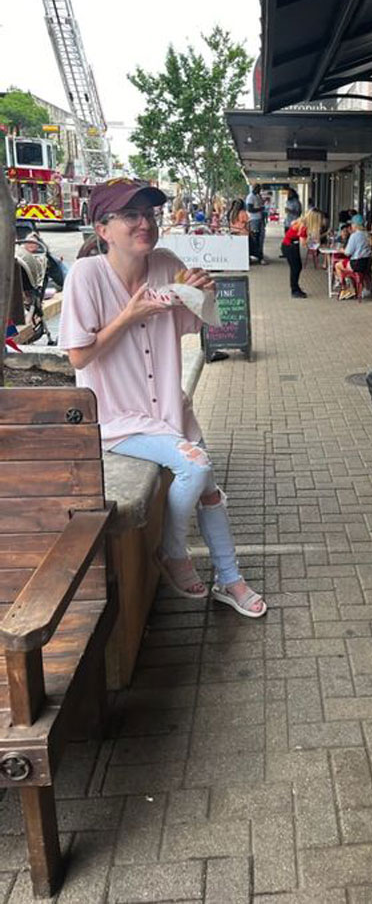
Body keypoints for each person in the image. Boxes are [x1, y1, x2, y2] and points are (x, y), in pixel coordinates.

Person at [58, 178, 266, 618]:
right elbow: (79, 354)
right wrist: (129, 315)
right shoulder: (86, 276)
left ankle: (230, 580)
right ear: (103, 229)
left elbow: (196, 324)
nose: (144, 223)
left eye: (149, 214)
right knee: (195, 465)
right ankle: (172, 552)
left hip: (171, 410)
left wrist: (203, 292)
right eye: (130, 215)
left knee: (210, 493)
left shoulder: (166, 263)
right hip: (118, 421)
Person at [334, 214, 372, 294]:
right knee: (345, 263)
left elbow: (348, 253)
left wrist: (341, 250)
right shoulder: (367, 235)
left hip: (356, 264)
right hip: (366, 263)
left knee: (337, 265)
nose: (351, 226)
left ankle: (344, 288)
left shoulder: (354, 236)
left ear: (355, 225)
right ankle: (353, 287)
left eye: (352, 224)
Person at [281, 214, 308, 298]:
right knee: (295, 268)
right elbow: (303, 243)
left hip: (289, 245)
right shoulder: (303, 227)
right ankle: (294, 290)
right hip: (290, 246)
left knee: (297, 267)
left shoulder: (300, 223)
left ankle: (295, 287)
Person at [245, 184, 267, 264]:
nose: (259, 190)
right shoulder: (250, 197)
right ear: (254, 188)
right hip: (254, 219)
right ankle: (257, 256)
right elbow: (249, 209)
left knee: (260, 238)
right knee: (255, 238)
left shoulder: (257, 196)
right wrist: (260, 209)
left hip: (260, 218)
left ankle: (260, 255)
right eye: (258, 189)